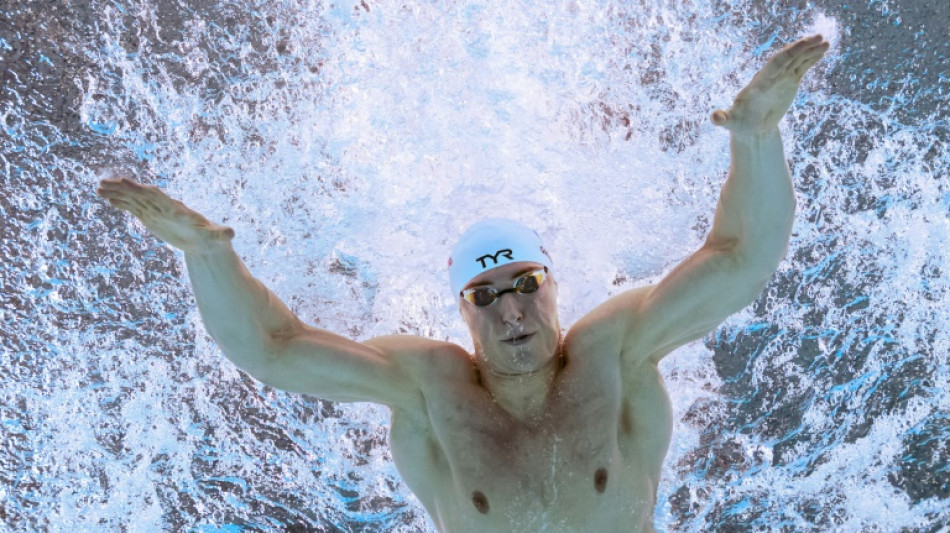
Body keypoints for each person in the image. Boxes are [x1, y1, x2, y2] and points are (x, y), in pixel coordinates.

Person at [97, 35, 830, 532]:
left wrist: (755, 137)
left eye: (523, 284)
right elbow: (274, 348)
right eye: (485, 295)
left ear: (552, 284)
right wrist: (205, 252)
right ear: (462, 312)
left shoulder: (614, 353)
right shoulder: (431, 391)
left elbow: (738, 258)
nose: (510, 309)